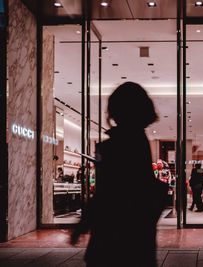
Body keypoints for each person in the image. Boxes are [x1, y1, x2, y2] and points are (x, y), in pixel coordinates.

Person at [70, 82, 168, 267]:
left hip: (112, 236)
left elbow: (107, 192)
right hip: (138, 236)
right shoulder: (139, 140)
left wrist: (84, 222)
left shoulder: (118, 144)